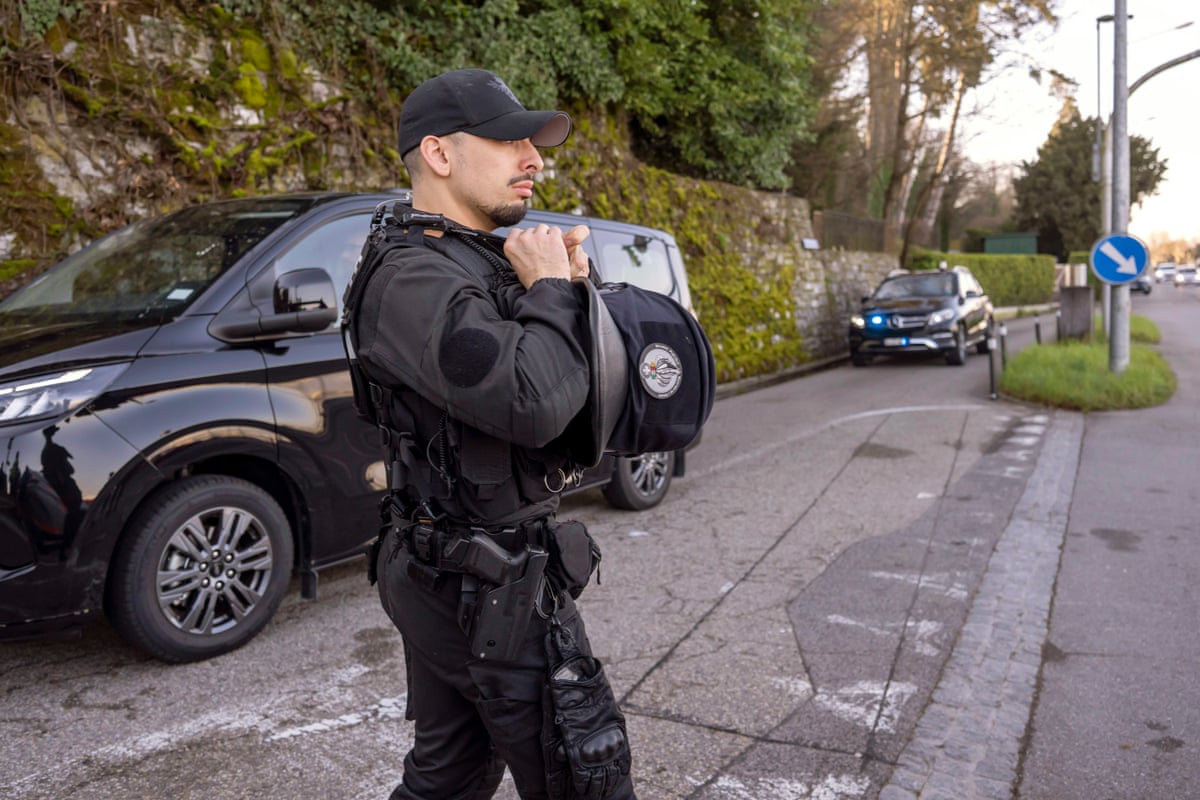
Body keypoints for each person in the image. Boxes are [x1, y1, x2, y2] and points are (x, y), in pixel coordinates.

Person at [345, 69, 636, 800]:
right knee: (588, 771)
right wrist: (550, 292)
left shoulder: (473, 258)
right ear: (439, 155)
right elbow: (534, 403)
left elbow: (581, 403)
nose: (534, 159)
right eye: (510, 142)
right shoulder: (411, 275)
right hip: (479, 581)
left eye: (532, 145)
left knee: (451, 773)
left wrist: (565, 287)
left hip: (476, 568)